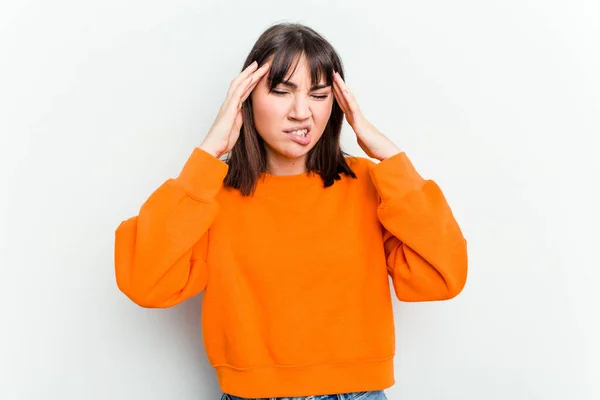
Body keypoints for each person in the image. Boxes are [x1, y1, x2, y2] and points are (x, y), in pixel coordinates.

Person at [114, 22, 468, 400]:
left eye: (319, 94)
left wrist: (390, 157)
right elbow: (144, 282)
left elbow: (443, 278)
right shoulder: (209, 195)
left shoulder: (371, 185)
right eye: (282, 91)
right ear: (246, 97)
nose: (302, 112)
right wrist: (208, 153)